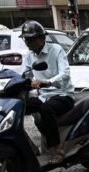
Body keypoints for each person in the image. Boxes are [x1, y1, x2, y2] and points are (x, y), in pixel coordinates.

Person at [21, 20, 74, 164]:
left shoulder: (56, 50)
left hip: (62, 94)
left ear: (42, 38)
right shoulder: (29, 55)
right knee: (18, 106)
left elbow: (65, 74)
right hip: (43, 96)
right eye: (26, 39)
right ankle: (29, 145)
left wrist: (47, 82)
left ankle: (57, 148)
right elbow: (24, 74)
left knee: (45, 109)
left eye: (31, 39)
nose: (28, 42)